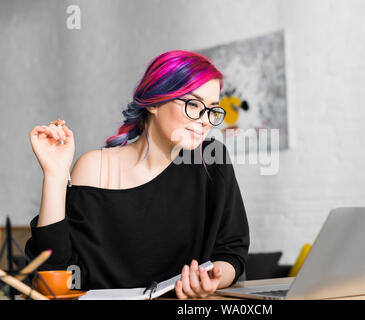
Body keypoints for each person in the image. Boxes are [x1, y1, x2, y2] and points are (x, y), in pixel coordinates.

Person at [25, 50, 250, 299]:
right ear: (154, 102)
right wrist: (55, 175)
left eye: (212, 110)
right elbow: (53, 272)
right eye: (194, 104)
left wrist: (211, 279)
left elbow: (232, 253)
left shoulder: (211, 159)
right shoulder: (94, 167)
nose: (205, 120)